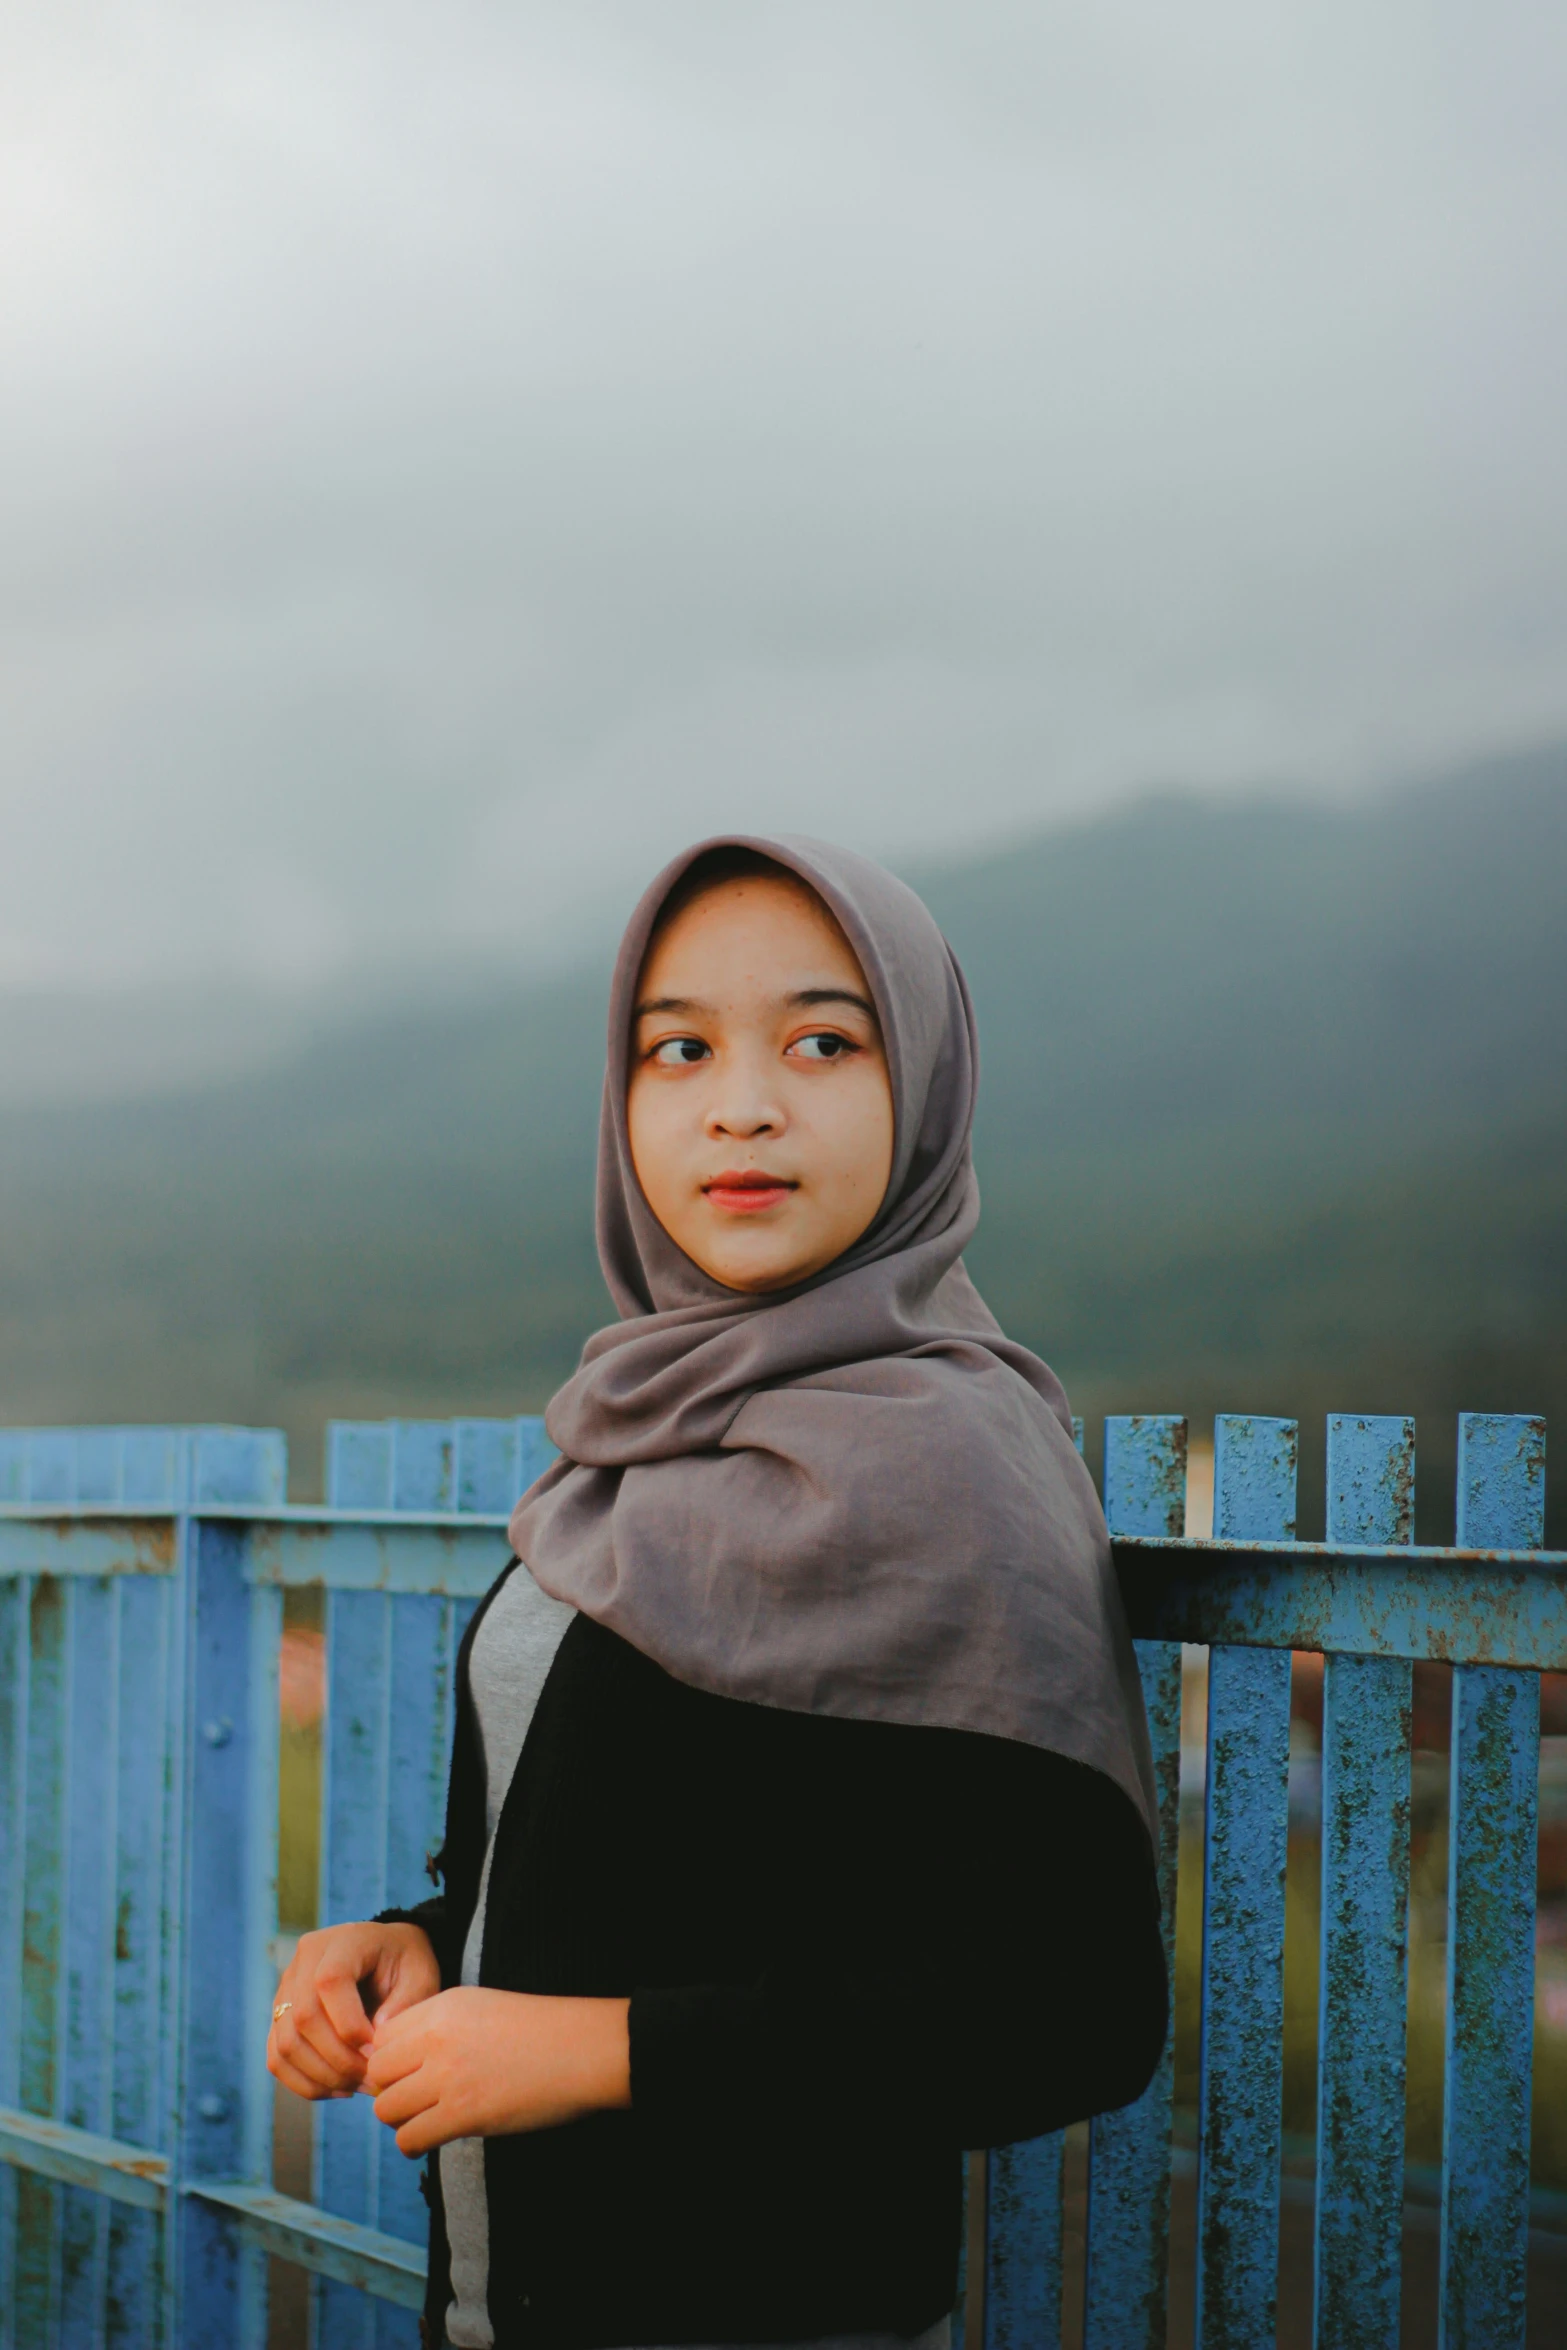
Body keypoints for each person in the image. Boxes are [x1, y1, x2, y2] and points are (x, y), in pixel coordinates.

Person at [268, 836, 1167, 2350]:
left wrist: (599, 2052)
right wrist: (422, 1937)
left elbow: (1063, 2009)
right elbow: (675, 1870)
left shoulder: (950, 1467)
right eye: (676, 1047)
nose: (740, 1100)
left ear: (924, 1092)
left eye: (822, 1040)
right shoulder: (630, 1429)